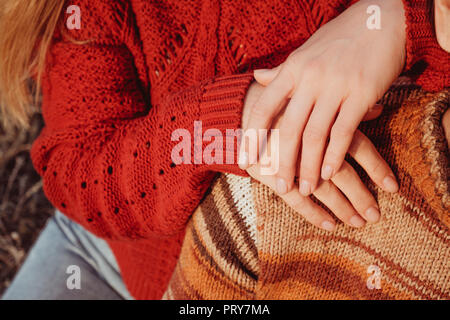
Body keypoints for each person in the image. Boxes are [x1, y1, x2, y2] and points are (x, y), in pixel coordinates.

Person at [0, 0, 448, 299]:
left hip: (273, 270)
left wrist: (402, 18)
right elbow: (81, 168)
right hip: (107, 253)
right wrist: (230, 123)